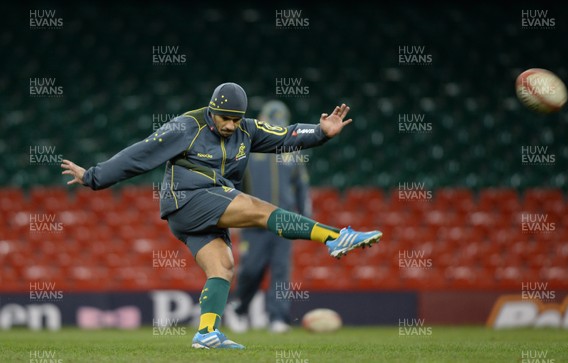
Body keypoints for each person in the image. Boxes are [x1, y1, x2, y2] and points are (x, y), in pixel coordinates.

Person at [61, 82, 382, 350]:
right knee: (260, 209)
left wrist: (321, 133)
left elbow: (286, 135)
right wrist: (94, 177)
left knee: (223, 266)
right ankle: (336, 237)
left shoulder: (247, 129)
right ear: (212, 109)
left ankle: (206, 332)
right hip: (187, 199)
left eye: (235, 120)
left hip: (206, 208)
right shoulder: (186, 126)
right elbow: (140, 154)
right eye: (224, 118)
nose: (230, 125)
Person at [225, 100, 310, 334]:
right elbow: (234, 183)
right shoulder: (248, 149)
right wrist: (231, 213)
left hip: (284, 221)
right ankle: (239, 309)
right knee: (251, 270)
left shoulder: (293, 151)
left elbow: (302, 186)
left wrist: (305, 216)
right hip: (252, 220)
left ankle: (278, 318)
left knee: (281, 271)